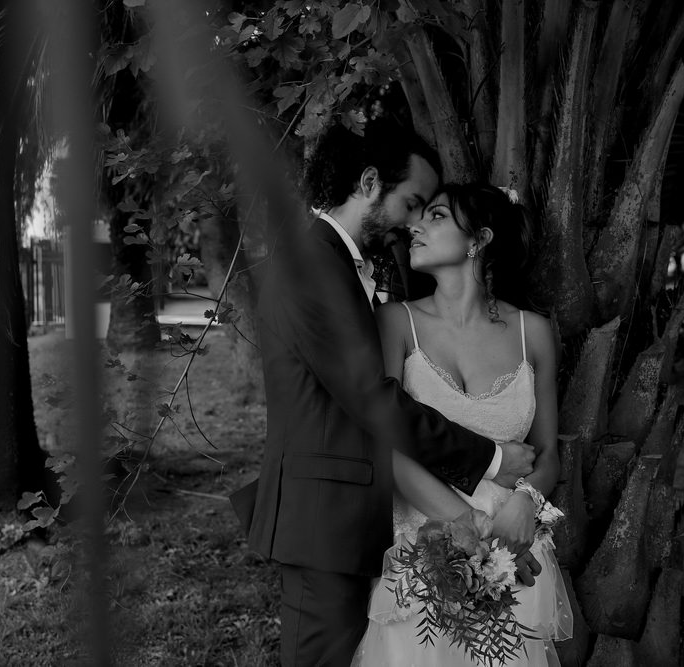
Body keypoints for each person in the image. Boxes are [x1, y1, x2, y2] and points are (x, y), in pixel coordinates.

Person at [229, 121, 539, 667]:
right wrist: (490, 458)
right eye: (412, 203)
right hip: (322, 521)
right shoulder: (311, 265)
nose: (415, 223)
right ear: (369, 182)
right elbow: (371, 398)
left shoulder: (343, 264)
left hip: (350, 518)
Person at [352, 183, 573, 666]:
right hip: (421, 547)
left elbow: (548, 453)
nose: (415, 226)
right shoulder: (395, 322)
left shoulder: (532, 331)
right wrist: (463, 524)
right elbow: (387, 441)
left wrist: (526, 503)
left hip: (511, 551)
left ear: (479, 238)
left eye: (435, 217)